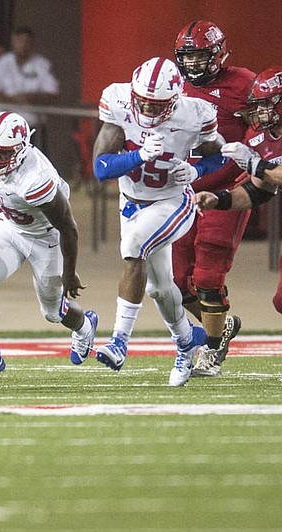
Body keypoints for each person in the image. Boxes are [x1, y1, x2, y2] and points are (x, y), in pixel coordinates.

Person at [92, 57, 227, 387]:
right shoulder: (118, 100)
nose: (149, 111)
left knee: (133, 244)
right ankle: (186, 341)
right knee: (158, 287)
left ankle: (119, 342)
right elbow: (100, 168)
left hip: (173, 201)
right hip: (132, 202)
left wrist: (198, 170)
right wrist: (138, 155)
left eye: (157, 105)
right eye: (144, 103)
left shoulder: (195, 112)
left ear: (175, 99)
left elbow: (219, 154)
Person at [0, 111, 97, 382]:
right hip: (10, 227)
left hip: (47, 236)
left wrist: (70, 271)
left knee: (52, 312)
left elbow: (68, 227)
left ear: (22, 150)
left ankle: (84, 326)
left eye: (2, 153)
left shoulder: (35, 178)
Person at [171, 21, 256, 378]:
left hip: (227, 188)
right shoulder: (173, 84)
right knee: (175, 283)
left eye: (199, 56)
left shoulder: (244, 85)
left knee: (208, 272)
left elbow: (261, 136)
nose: (192, 65)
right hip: (184, 190)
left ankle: (210, 349)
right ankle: (219, 329)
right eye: (186, 57)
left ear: (219, 54)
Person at [196, 66, 282, 306]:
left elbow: (265, 172)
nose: (261, 111)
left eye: (267, 104)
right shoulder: (261, 135)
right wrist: (220, 200)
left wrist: (256, 164)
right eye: (259, 104)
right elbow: (258, 191)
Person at [0, 26, 58, 149]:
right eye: (19, 41)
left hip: (32, 128)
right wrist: (15, 99)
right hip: (3, 129)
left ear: (32, 43)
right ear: (13, 41)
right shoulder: (1, 64)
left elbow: (52, 94)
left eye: (26, 41)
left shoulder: (42, 64)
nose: (22, 45)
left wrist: (30, 97)